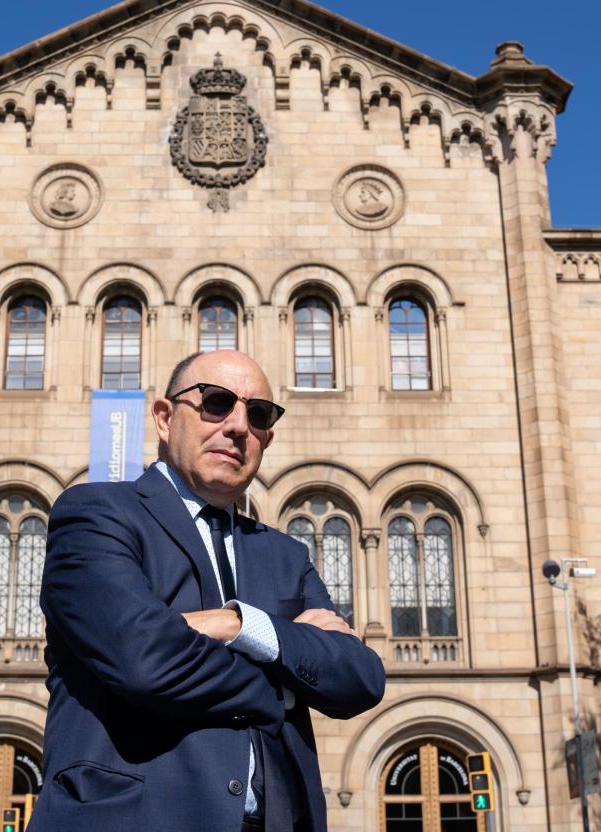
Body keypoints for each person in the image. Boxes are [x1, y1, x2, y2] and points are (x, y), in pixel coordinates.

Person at [29, 349, 386, 832]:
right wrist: (281, 682)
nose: (238, 425)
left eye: (258, 414)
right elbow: (144, 659)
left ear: (267, 437)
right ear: (163, 416)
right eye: (216, 402)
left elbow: (360, 678)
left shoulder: (285, 555)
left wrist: (239, 623)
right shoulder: (95, 515)